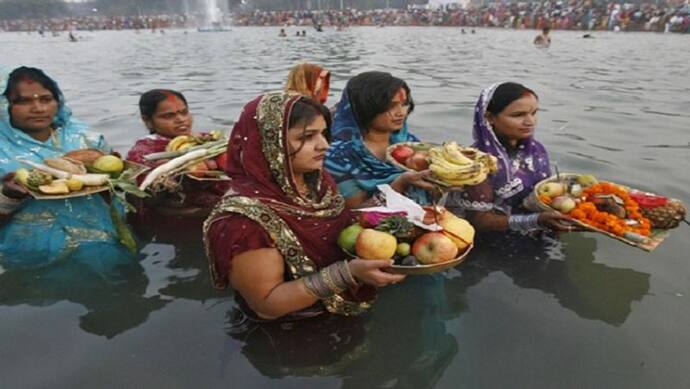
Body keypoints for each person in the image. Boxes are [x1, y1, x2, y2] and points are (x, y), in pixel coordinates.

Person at [204, 92, 405, 321]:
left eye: (323, 134)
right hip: (290, 334)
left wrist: (398, 188)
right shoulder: (243, 221)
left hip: (340, 313)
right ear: (270, 143)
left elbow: (342, 226)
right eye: (307, 137)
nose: (324, 145)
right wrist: (347, 273)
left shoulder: (314, 181)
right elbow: (267, 304)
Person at [0, 66, 134, 271]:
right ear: (5, 105)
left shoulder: (85, 139)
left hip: (106, 243)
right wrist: (8, 197)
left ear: (58, 102)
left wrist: (116, 177)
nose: (38, 108)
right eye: (24, 101)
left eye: (45, 99)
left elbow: (120, 193)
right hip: (33, 258)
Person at [446, 82, 573, 233]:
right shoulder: (476, 162)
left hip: (540, 231)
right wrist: (535, 221)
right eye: (518, 115)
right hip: (492, 243)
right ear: (490, 117)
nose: (530, 122)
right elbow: (477, 220)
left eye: (533, 113)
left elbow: (546, 196)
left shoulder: (536, 151)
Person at [325, 71, 434, 208]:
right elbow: (355, 214)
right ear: (365, 108)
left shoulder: (410, 143)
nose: (401, 112)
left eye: (404, 104)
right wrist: (399, 184)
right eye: (390, 106)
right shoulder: (338, 156)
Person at [125, 89, 229, 219]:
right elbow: (148, 200)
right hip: (178, 221)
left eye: (184, 112)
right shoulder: (142, 153)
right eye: (168, 116)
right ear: (147, 120)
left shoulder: (207, 140)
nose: (181, 120)